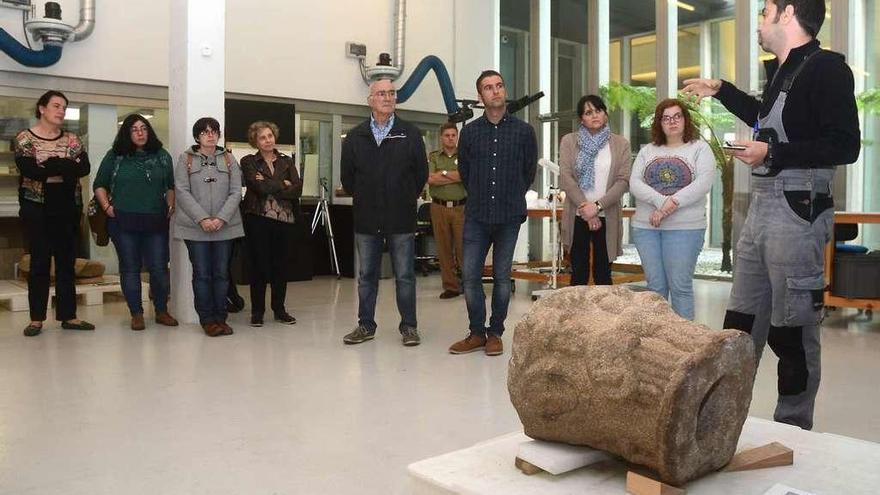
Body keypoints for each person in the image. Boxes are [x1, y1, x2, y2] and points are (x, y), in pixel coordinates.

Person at [682, 0, 860, 430]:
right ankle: (720, 422)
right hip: (762, 205)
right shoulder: (783, 70)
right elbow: (766, 119)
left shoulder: (827, 68)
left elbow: (845, 146)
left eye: (764, 12)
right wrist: (720, 89)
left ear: (787, 13)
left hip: (798, 210)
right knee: (740, 321)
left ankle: (794, 426)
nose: (759, 21)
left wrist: (773, 151)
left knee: (793, 328)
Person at [448, 70, 537, 357]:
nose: (495, 91)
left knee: (501, 276)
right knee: (470, 276)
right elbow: (466, 172)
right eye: (488, 87)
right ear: (480, 96)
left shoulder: (524, 132)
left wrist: (510, 196)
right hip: (476, 215)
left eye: (499, 85)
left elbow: (528, 173)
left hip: (509, 216)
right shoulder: (471, 133)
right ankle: (476, 332)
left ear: (504, 90)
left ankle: (495, 332)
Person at [340, 78, 428, 346]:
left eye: (391, 93)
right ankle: (365, 325)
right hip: (367, 219)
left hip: (401, 218)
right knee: (367, 276)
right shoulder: (355, 136)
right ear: (370, 100)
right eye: (381, 94)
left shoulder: (410, 133)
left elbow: (420, 174)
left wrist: (401, 198)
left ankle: (409, 327)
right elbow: (348, 179)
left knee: (405, 275)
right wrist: (369, 198)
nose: (387, 98)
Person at [14, 90, 95, 337]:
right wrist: (64, 167)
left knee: (66, 264)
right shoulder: (25, 138)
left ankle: (68, 316)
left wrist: (50, 166)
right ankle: (36, 319)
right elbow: (30, 170)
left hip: (68, 210)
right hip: (36, 208)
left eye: (64, 107)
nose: (61, 111)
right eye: (56, 105)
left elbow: (84, 167)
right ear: (42, 108)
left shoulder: (72, 139)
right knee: (39, 264)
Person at [628, 99, 716, 320]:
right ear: (659, 123)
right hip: (646, 228)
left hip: (685, 228)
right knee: (655, 288)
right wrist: (660, 202)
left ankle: (683, 346)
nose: (672, 122)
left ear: (685, 119)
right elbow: (634, 183)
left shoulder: (699, 148)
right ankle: (657, 344)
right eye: (666, 118)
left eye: (677, 116)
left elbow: (703, 184)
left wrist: (669, 206)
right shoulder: (648, 150)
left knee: (680, 287)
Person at [93, 114, 178, 331]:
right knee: (130, 269)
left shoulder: (162, 156)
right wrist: (107, 208)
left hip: (156, 221)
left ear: (149, 131)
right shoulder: (115, 156)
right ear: (126, 134)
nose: (140, 133)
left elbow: (170, 185)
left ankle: (161, 310)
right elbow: (99, 184)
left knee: (159, 268)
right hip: (123, 222)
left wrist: (170, 205)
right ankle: (136, 314)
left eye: (144, 128)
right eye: (134, 129)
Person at [173, 117, 244, 337]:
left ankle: (221, 317)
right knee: (202, 274)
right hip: (196, 228)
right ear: (197, 137)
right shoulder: (185, 159)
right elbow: (182, 192)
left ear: (219, 135)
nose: (210, 135)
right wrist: (203, 218)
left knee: (222, 274)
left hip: (226, 227)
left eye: (214, 131)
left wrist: (221, 218)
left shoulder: (230, 159)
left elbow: (236, 192)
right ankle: (207, 320)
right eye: (204, 132)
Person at [558, 95, 632, 286]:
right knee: (578, 274)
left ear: (605, 114)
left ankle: (603, 316)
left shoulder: (620, 144)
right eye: (588, 112)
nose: (594, 115)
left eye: (598, 110)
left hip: (607, 214)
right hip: (577, 214)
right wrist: (587, 210)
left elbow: (623, 181)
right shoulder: (569, 141)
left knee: (603, 274)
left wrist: (597, 207)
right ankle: (578, 316)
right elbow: (566, 178)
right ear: (581, 118)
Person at [239, 121, 303, 327]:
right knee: (259, 266)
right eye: (262, 137)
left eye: (270, 136)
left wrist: (269, 182)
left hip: (284, 220)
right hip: (257, 218)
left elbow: (297, 189)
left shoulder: (286, 161)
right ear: (255, 141)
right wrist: (282, 184)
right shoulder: (249, 161)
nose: (268, 140)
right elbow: (257, 188)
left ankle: (279, 309)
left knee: (280, 267)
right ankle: (257, 312)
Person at [427, 121, 466, 299]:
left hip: (461, 208)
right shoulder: (434, 156)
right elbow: (431, 179)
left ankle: (467, 283)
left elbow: (464, 175)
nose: (450, 138)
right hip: (439, 207)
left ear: (457, 137)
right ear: (441, 137)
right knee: (443, 248)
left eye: (453, 135)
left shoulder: (465, 155)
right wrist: (453, 176)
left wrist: (442, 174)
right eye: (447, 135)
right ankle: (451, 287)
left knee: (463, 248)